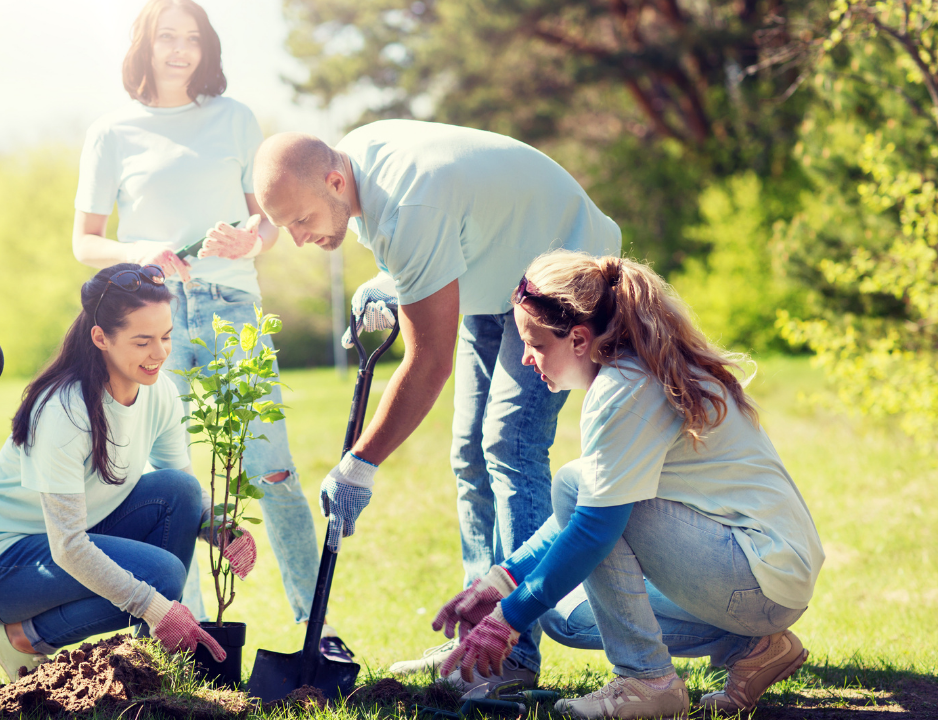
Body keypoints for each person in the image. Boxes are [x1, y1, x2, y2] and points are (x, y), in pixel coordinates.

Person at [252, 121, 622, 688]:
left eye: (301, 220)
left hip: (561, 261)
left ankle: (511, 653)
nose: (299, 240)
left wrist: (360, 464)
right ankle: (472, 638)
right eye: (287, 228)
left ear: (334, 181)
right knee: (470, 451)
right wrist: (391, 279)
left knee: (509, 443)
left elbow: (429, 361)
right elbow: (435, 233)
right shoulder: (353, 165)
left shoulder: (407, 208)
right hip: (495, 264)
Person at [70, 0, 350, 660]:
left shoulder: (235, 119)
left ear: (207, 47)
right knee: (169, 479)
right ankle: (183, 636)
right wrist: (141, 250)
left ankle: (315, 634)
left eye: (192, 38)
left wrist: (249, 239)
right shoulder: (112, 131)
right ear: (144, 44)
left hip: (232, 309)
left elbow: (268, 220)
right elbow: (85, 242)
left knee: (272, 469)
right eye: (167, 36)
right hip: (153, 317)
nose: (179, 49)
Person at [435, 251, 823, 719]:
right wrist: (503, 582)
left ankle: (648, 681)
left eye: (534, 343)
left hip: (757, 574)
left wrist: (506, 620)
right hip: (758, 581)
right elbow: (588, 515)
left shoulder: (625, 386)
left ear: (579, 339)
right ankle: (756, 648)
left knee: (577, 490)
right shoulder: (631, 371)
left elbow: (594, 526)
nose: (526, 357)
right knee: (562, 613)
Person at [0, 264, 253, 680]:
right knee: (163, 577)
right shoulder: (63, 410)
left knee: (180, 490)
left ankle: (153, 657)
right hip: (1, 565)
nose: (160, 353)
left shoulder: (160, 391)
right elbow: (69, 546)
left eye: (166, 337)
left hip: (69, 537)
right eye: (142, 341)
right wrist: (154, 605)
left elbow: (185, 489)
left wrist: (217, 524)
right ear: (101, 338)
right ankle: (26, 637)